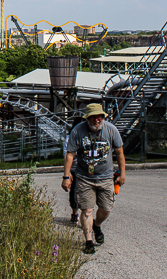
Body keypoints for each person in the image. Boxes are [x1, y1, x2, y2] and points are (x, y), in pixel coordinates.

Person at [62, 104, 126, 254]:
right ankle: (88, 240)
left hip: (106, 177)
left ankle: (97, 226)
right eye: (93, 117)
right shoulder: (78, 131)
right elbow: (70, 154)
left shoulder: (111, 130)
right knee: (87, 210)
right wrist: (66, 176)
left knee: (106, 210)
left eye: (100, 117)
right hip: (84, 177)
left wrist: (122, 174)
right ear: (87, 118)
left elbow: (120, 153)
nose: (97, 120)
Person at [64, 117, 82, 225]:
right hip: (74, 169)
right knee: (74, 192)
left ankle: (87, 215)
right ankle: (75, 213)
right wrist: (68, 173)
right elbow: (66, 156)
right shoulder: (69, 138)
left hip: (86, 169)